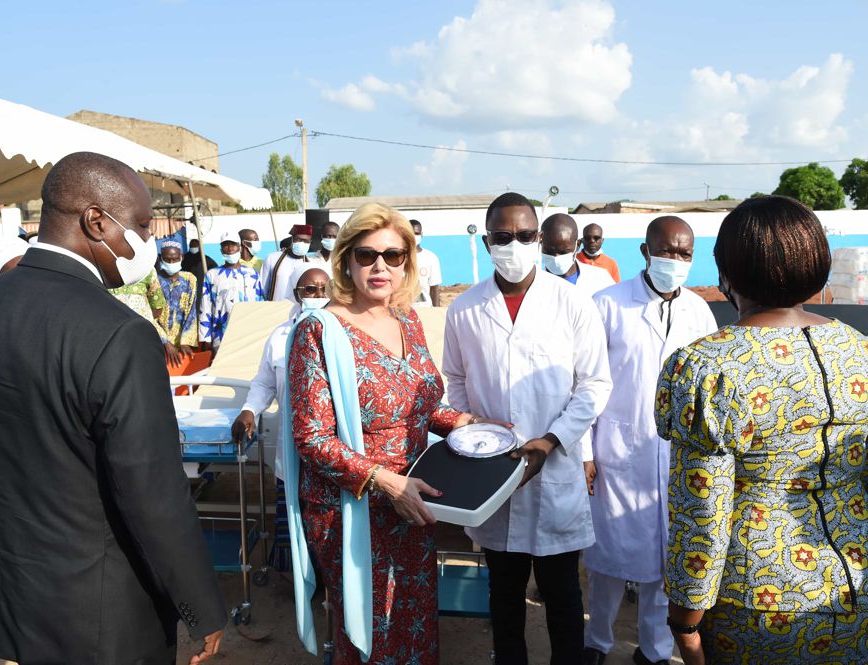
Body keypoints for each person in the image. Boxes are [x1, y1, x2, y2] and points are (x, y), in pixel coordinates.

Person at [0, 151, 225, 664]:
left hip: (10, 594)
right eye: (142, 226)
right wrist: (201, 604)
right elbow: (153, 493)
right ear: (96, 221)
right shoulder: (120, 332)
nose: (148, 242)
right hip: (103, 613)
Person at [655, 195, 868, 665]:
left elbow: (703, 511)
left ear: (727, 273)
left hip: (762, 596)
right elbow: (867, 464)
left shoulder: (709, 367)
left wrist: (685, 621)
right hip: (866, 578)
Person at [289, 202, 499, 663]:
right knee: (372, 631)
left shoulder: (407, 319)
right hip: (354, 508)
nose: (380, 266)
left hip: (415, 499)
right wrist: (387, 483)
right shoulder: (320, 331)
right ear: (346, 259)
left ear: (408, 262)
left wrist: (467, 423)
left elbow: (419, 405)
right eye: (367, 255)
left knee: (413, 621)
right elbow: (312, 437)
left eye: (393, 255)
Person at [443, 192, 612, 664]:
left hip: (555, 469)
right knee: (503, 595)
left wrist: (551, 441)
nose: (513, 245)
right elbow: (455, 379)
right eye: (502, 236)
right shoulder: (465, 309)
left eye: (523, 235)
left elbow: (595, 383)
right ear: (487, 242)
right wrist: (474, 433)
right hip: (493, 474)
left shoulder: (571, 303)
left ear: (538, 238)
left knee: (562, 595)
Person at [582, 216, 716, 665]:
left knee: (665, 562)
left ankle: (654, 650)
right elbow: (585, 382)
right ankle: (597, 641)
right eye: (666, 251)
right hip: (616, 450)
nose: (674, 260)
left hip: (675, 456)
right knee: (607, 561)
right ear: (645, 251)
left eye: (684, 253)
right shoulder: (608, 304)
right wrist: (585, 451)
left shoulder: (698, 311)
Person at [232, 265, 330, 571]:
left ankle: (331, 580)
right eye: (310, 289)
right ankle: (296, 574)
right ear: (296, 294)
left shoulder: (344, 332)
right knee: (294, 510)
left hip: (334, 445)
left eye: (324, 289)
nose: (317, 295)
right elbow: (264, 383)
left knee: (330, 519)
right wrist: (249, 410)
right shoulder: (281, 337)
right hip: (292, 443)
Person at [199, 231, 264, 351]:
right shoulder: (212, 275)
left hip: (249, 334)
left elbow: (260, 303)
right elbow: (205, 307)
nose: (230, 249)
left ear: (240, 248)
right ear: (221, 250)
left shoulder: (252, 274)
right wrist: (205, 337)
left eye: (233, 245)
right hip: (221, 336)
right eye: (226, 245)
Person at [540, 213, 614, 298]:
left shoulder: (601, 280)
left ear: (577, 245)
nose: (556, 257)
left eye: (563, 252)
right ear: (540, 244)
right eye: (549, 251)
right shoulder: (533, 284)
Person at [158, 239, 199, 362]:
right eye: (167, 259)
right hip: (158, 342)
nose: (171, 263)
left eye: (175, 259)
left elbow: (191, 312)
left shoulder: (189, 280)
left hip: (182, 345)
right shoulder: (154, 280)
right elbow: (149, 315)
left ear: (182, 257)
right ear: (160, 258)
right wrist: (165, 342)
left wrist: (185, 341)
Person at [261, 223, 314, 301]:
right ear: (292, 239)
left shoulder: (311, 264)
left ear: (310, 242)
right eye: (298, 239)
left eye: (306, 241)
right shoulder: (272, 258)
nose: (302, 243)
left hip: (299, 308)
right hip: (276, 307)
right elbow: (263, 288)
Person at [410, 219, 442, 307]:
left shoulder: (431, 258)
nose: (414, 236)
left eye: (417, 233)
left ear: (422, 234)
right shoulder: (397, 257)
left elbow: (434, 289)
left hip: (425, 308)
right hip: (403, 309)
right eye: (411, 233)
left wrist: (437, 311)